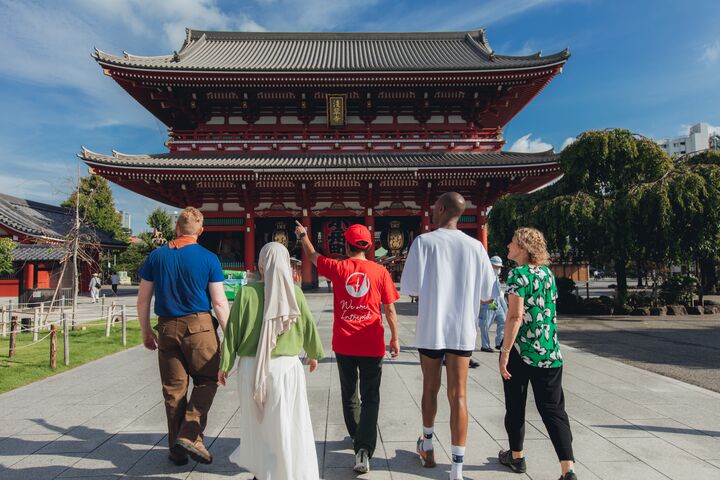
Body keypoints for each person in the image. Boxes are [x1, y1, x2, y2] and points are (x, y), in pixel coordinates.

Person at [401, 192, 498, 480]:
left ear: (441, 209)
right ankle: (456, 470)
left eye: (433, 207)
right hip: (462, 330)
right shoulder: (476, 247)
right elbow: (487, 296)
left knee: (430, 388)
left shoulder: (424, 242)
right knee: (460, 395)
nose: (431, 211)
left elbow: (412, 288)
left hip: (432, 327)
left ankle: (428, 446)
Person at [295, 220, 399, 474]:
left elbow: (312, 254)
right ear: (369, 245)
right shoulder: (380, 272)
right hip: (372, 342)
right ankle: (364, 446)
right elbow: (389, 309)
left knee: (350, 393)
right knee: (371, 395)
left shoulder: (338, 268)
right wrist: (395, 337)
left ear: (347, 246)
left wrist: (303, 235)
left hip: (345, 342)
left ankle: (358, 438)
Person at [218, 242, 324, 480]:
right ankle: (285, 472)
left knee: (256, 426)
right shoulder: (295, 293)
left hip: (250, 367)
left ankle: (262, 472)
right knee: (287, 424)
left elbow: (232, 331)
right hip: (286, 369)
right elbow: (307, 326)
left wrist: (225, 364)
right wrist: (313, 353)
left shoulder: (246, 293)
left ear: (261, 263)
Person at [137, 207, 230, 466]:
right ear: (200, 231)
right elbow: (220, 302)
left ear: (176, 228)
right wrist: (231, 335)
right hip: (200, 328)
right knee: (207, 381)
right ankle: (190, 435)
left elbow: (143, 298)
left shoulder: (156, 257)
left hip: (166, 328)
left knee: (174, 392)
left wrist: (145, 331)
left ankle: (177, 451)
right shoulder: (209, 258)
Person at [498, 227, 577, 480]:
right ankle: (568, 469)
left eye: (512, 242)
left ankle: (517, 457)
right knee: (553, 410)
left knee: (516, 406)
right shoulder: (547, 274)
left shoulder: (517, 275)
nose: (508, 245)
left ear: (522, 247)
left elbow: (514, 316)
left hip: (522, 352)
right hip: (550, 351)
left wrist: (505, 351)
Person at [478, 255, 507, 352]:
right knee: (485, 325)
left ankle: (499, 343)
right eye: (496, 266)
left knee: (503, 321)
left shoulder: (496, 277)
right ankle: (485, 346)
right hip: (488, 304)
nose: (498, 269)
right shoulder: (484, 276)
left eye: (499, 267)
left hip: (497, 304)